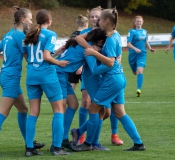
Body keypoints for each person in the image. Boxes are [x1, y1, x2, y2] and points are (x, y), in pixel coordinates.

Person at [71, 8, 146, 152]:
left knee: (93, 109)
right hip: (119, 79)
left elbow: (111, 62)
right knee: (119, 113)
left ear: (106, 21)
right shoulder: (115, 35)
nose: (97, 22)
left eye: (99, 19)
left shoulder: (111, 39)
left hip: (112, 80)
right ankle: (138, 143)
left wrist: (93, 52)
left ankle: (88, 143)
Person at [0, 6, 44, 157]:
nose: (31, 21)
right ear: (22, 20)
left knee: (23, 110)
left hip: (7, 76)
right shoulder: (20, 37)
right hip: (11, 78)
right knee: (3, 112)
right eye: (29, 19)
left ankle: (29, 142)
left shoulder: (8, 35)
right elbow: (28, 58)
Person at [23, 9, 70, 156]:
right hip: (47, 76)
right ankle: (56, 147)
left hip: (32, 75)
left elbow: (29, 55)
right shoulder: (51, 34)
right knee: (59, 110)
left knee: (33, 112)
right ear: (49, 21)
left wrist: (55, 53)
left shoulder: (31, 34)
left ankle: (29, 148)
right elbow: (45, 57)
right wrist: (58, 62)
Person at [75, 6, 123, 146]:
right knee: (88, 104)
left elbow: (113, 53)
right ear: (89, 19)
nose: (95, 19)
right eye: (92, 17)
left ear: (104, 20)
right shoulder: (88, 32)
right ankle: (88, 140)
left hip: (104, 74)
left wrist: (100, 52)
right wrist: (92, 49)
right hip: (91, 73)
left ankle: (85, 134)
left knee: (106, 111)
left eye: (98, 17)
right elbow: (79, 42)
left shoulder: (107, 33)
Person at [55, 28, 107, 150]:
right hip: (58, 74)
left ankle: (63, 138)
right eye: (103, 43)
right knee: (60, 109)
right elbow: (94, 66)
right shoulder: (88, 48)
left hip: (62, 74)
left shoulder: (81, 43)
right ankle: (57, 143)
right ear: (99, 41)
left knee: (73, 104)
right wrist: (100, 54)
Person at [127, 15, 156, 97]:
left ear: (142, 22)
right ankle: (135, 73)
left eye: (140, 21)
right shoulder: (131, 32)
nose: (139, 22)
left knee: (140, 71)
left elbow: (146, 41)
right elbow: (128, 44)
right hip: (133, 54)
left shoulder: (144, 31)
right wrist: (135, 49)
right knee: (134, 72)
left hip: (142, 54)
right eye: (137, 21)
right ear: (134, 22)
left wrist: (150, 48)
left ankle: (138, 89)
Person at [67, 14, 88, 90]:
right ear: (86, 24)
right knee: (87, 89)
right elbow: (84, 51)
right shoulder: (84, 35)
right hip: (82, 65)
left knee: (71, 89)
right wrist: (80, 66)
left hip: (72, 64)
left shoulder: (72, 35)